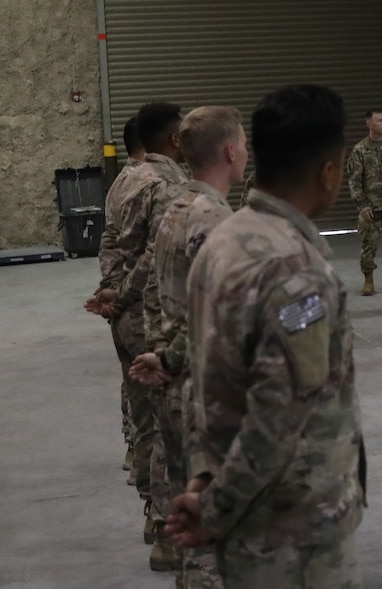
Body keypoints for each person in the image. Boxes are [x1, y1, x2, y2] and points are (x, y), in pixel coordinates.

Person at [166, 84, 366, 588]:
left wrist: (203, 478)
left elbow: (200, 375)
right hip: (292, 533)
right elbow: (278, 418)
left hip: (251, 525)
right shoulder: (295, 267)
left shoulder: (224, 241)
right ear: (329, 170)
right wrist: (216, 507)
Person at [130, 105, 246, 588]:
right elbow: (217, 314)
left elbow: (160, 295)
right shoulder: (215, 219)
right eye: (244, 143)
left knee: (186, 508)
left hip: (174, 382)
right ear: (230, 151)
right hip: (204, 385)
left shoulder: (176, 208)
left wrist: (161, 356)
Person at [85, 102, 189, 569]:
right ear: (173, 140)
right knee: (169, 426)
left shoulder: (125, 180)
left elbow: (109, 239)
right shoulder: (167, 185)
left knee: (144, 418)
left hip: (123, 317)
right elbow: (155, 255)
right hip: (147, 314)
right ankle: (168, 534)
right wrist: (124, 296)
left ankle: (153, 515)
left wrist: (109, 290)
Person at [97, 116, 144, 482]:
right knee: (146, 379)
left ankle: (134, 447)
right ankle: (142, 453)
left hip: (123, 295)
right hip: (142, 298)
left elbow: (108, 241)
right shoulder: (152, 184)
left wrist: (111, 288)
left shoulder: (118, 184)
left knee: (132, 377)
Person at [348, 110, 382, 295]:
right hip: (371, 206)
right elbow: (355, 181)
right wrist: (362, 205)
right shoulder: (360, 150)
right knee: (368, 245)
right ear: (369, 124)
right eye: (379, 121)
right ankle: (368, 281)